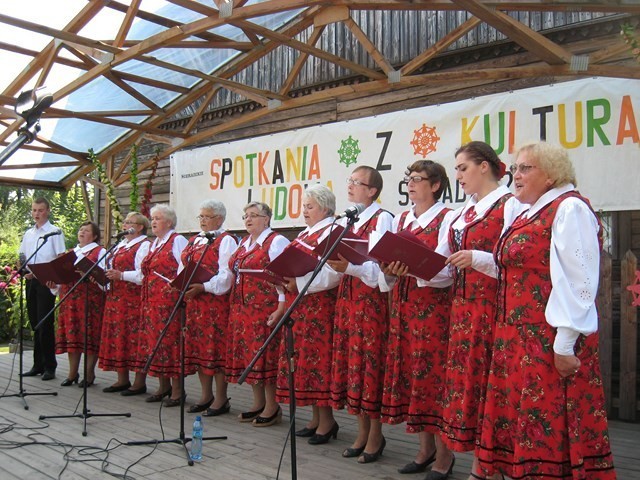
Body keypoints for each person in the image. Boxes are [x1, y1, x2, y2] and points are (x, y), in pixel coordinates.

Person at [477, 142, 616, 479]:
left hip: (547, 339)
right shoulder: (531, 211)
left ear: (551, 175)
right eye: (515, 167)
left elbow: (579, 280)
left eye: (526, 168)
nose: (516, 174)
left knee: (547, 423)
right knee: (524, 422)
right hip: (518, 339)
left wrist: (565, 343)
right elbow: (514, 267)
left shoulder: (569, 209)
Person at [434, 141, 523, 480]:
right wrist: (409, 265)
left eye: (462, 168)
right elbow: (443, 266)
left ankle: (487, 468)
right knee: (471, 390)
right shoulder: (462, 212)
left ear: (484, 167)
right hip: (462, 312)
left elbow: (517, 262)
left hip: (494, 310)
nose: (457, 175)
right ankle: (481, 466)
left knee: (493, 391)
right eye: (456, 169)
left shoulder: (510, 205)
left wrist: (478, 258)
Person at [378, 161, 455, 477]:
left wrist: (410, 267)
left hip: (434, 310)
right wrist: (388, 270)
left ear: (435, 184)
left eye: (417, 179)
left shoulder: (448, 217)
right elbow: (391, 267)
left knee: (434, 379)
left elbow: (446, 270)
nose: (410, 184)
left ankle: (444, 456)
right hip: (404, 307)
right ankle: (424, 450)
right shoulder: (401, 218)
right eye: (407, 179)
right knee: (413, 377)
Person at [328, 166, 393, 463]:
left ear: (373, 191)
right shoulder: (346, 220)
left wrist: (350, 267)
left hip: (371, 304)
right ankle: (361, 430)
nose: (351, 186)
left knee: (370, 367)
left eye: (358, 183)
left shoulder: (383, 219)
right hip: (348, 301)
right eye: (350, 181)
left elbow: (383, 270)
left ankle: (375, 435)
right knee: (353, 367)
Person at [276, 184, 342, 445]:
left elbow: (334, 273)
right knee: (303, 361)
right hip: (301, 306)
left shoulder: (333, 231)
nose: (304, 211)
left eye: (310, 206)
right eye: (303, 206)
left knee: (318, 362)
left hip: (318, 306)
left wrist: (298, 282)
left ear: (325, 208)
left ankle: (327, 422)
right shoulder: (305, 233)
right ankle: (315, 418)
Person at [226, 201, 289, 425]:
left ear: (267, 219)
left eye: (254, 215)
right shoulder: (244, 243)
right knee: (250, 356)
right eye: (245, 216)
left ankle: (272, 406)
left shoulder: (276, 241)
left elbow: (283, 275)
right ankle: (258, 402)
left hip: (264, 307)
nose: (248, 219)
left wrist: (281, 306)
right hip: (242, 309)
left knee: (265, 356)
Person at [181, 200, 237, 413]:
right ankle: (206, 395)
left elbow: (226, 275)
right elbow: (183, 266)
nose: (203, 220)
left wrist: (203, 286)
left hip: (215, 303)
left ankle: (221, 398)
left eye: (207, 216)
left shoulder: (226, 240)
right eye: (201, 216)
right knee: (199, 349)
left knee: (215, 350)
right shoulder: (195, 240)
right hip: (195, 303)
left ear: (219, 219)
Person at [138, 204, 188, 406]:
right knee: (156, 343)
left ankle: (177, 390)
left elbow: (184, 270)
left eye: (158, 218)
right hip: (152, 301)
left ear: (168, 222)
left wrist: (174, 287)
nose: (153, 222)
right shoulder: (155, 243)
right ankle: (163, 385)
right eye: (152, 218)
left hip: (169, 301)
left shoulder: (178, 240)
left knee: (171, 344)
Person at [99, 212, 150, 395]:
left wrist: (121, 275)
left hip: (132, 299)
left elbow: (143, 274)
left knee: (134, 339)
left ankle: (138, 382)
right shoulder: (121, 245)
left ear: (140, 227)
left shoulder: (144, 245)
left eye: (131, 222)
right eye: (125, 222)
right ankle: (122, 379)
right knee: (119, 337)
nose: (126, 225)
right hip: (115, 297)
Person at [53, 221, 106, 387]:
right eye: (81, 229)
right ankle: (72, 373)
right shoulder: (70, 253)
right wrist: (54, 285)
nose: (82, 232)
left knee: (89, 336)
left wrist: (90, 274)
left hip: (90, 300)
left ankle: (89, 373)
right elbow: (60, 279)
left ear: (95, 236)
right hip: (69, 300)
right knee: (72, 335)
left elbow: (104, 279)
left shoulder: (100, 251)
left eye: (87, 230)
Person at [19, 197, 66, 381]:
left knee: (45, 323)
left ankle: (50, 366)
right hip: (31, 280)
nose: (36, 214)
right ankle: (37, 364)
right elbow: (22, 256)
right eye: (34, 210)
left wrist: (55, 280)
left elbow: (61, 257)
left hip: (47, 282)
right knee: (34, 322)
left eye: (40, 210)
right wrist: (24, 271)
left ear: (48, 211)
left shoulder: (55, 232)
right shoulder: (29, 233)